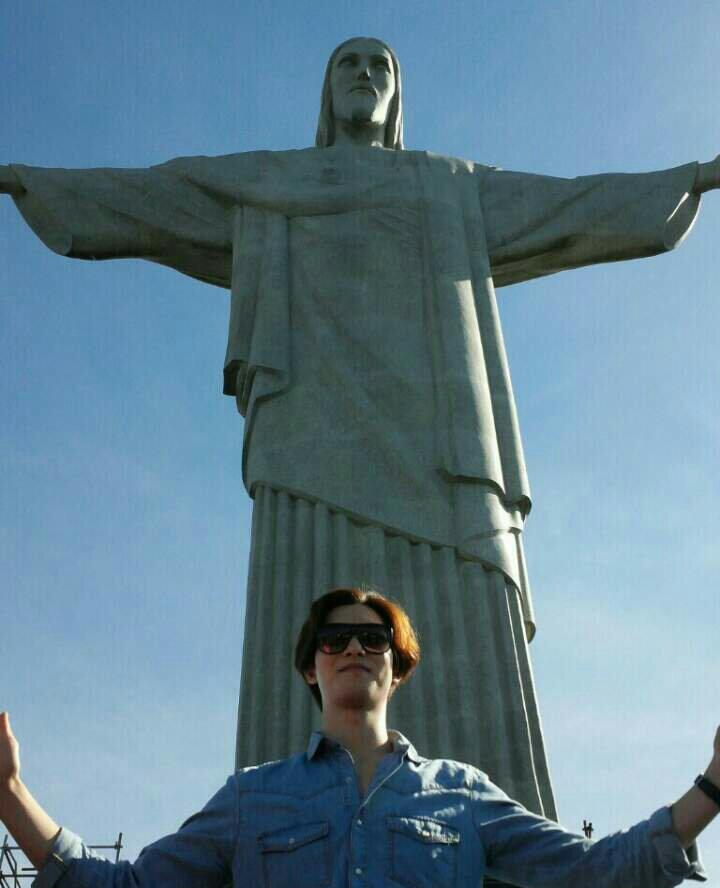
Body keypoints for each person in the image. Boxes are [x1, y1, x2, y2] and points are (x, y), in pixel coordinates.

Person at [3, 38, 720, 816]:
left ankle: (499, 833)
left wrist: (687, 178)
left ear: (397, 96)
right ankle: (285, 825)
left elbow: (570, 205)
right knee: (305, 596)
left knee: (465, 627)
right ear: (326, 90)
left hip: (442, 447)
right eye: (349, 64)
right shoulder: (273, 181)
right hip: (308, 436)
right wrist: (30, 181)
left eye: (380, 67)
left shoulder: (447, 183)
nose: (365, 77)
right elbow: (156, 195)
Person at [0, 587, 718, 888]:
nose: (353, 649)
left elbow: (599, 872)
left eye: (372, 640)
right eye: (334, 639)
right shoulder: (252, 798)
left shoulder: (463, 797)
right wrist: (8, 793)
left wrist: (713, 787)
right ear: (310, 668)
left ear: (397, 668)